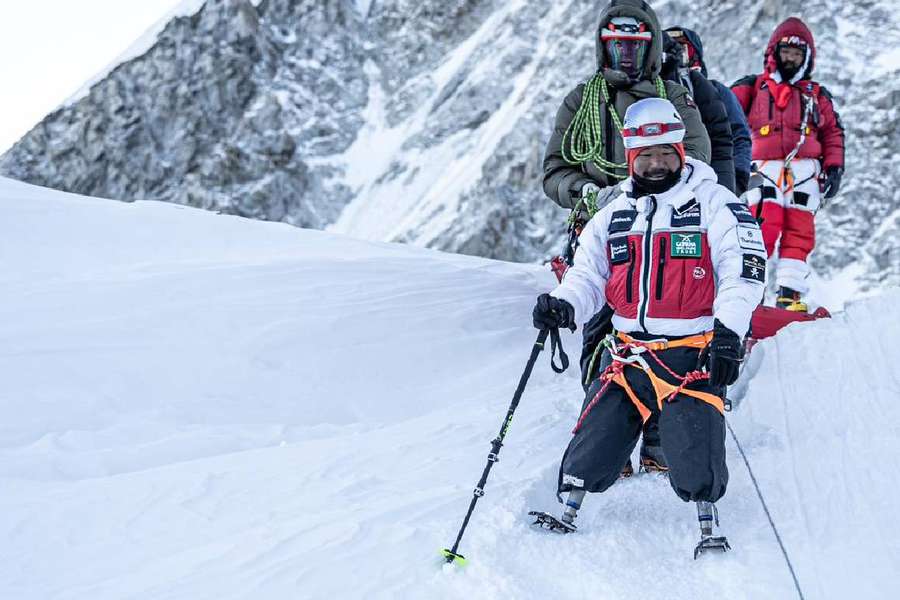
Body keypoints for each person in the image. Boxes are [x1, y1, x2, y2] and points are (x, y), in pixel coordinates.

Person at [531, 98, 766, 551]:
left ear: (681, 152)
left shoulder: (717, 204)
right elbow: (588, 276)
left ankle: (707, 521)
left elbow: (744, 271)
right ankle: (570, 506)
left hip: (692, 355)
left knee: (695, 456)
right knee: (594, 443)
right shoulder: (614, 213)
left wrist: (729, 331)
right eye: (646, 156)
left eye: (665, 154)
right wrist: (563, 305)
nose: (657, 164)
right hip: (627, 353)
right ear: (631, 158)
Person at [542, 0, 711, 475]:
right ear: (604, 46)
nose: (625, 55)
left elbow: (697, 154)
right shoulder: (581, 101)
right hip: (600, 226)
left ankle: (659, 441)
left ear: (651, 45)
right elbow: (555, 169)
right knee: (600, 327)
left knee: (665, 324)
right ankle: (607, 441)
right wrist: (586, 193)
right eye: (616, 46)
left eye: (634, 46)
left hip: (669, 226)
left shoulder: (675, 98)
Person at [731, 18, 845, 311]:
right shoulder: (753, 87)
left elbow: (833, 132)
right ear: (774, 52)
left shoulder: (817, 95)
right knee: (759, 227)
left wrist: (834, 167)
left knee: (800, 232)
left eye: (797, 54)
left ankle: (789, 296)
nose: (790, 59)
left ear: (807, 58)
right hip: (762, 169)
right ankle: (747, 292)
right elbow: (726, 116)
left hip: (805, 173)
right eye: (786, 52)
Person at [665, 26, 753, 195]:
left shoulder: (717, 91)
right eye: (669, 48)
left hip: (715, 179)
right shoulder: (653, 90)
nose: (675, 54)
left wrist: (739, 178)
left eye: (682, 49)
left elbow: (739, 136)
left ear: (695, 54)